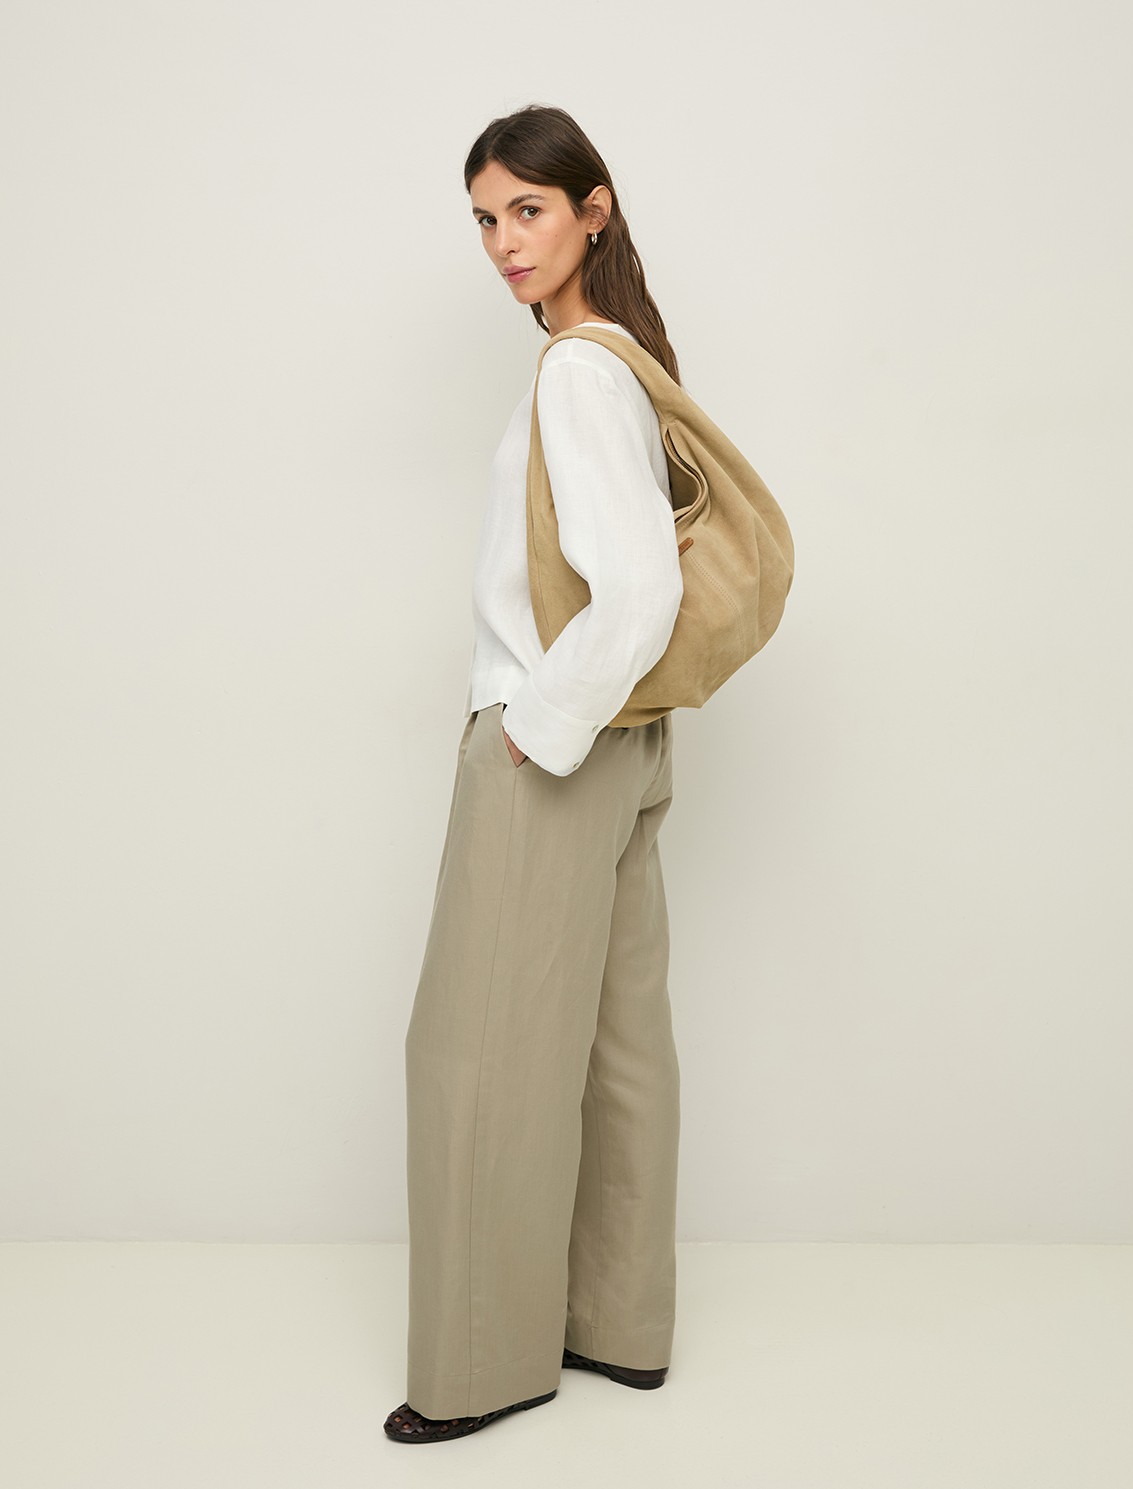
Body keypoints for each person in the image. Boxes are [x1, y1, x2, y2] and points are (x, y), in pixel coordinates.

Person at [384, 104, 686, 1445]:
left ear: (591, 211)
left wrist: (533, 725)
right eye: (484, 220)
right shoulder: (624, 361)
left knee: (477, 1055)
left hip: (554, 745)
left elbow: (643, 591)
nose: (504, 242)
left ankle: (477, 1366)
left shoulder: (577, 369)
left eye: (527, 210)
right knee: (620, 1045)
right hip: (626, 742)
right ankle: (619, 1325)